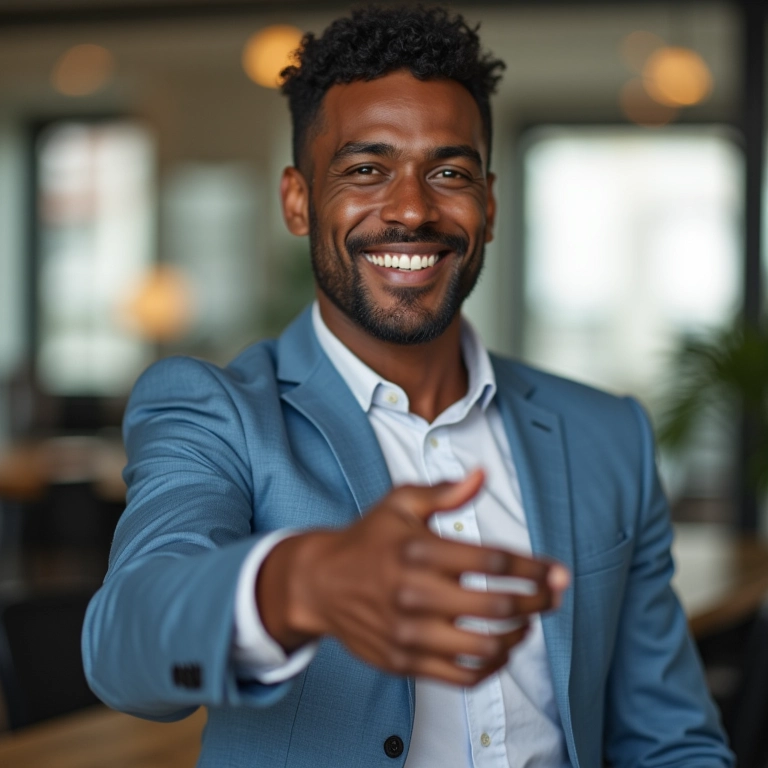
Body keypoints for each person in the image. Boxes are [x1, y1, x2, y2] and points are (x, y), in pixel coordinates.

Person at [82, 6, 734, 767]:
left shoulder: (608, 435)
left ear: (488, 205)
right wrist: (302, 582)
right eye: (366, 170)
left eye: (449, 173)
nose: (414, 208)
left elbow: (672, 740)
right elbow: (124, 645)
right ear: (298, 200)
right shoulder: (216, 412)